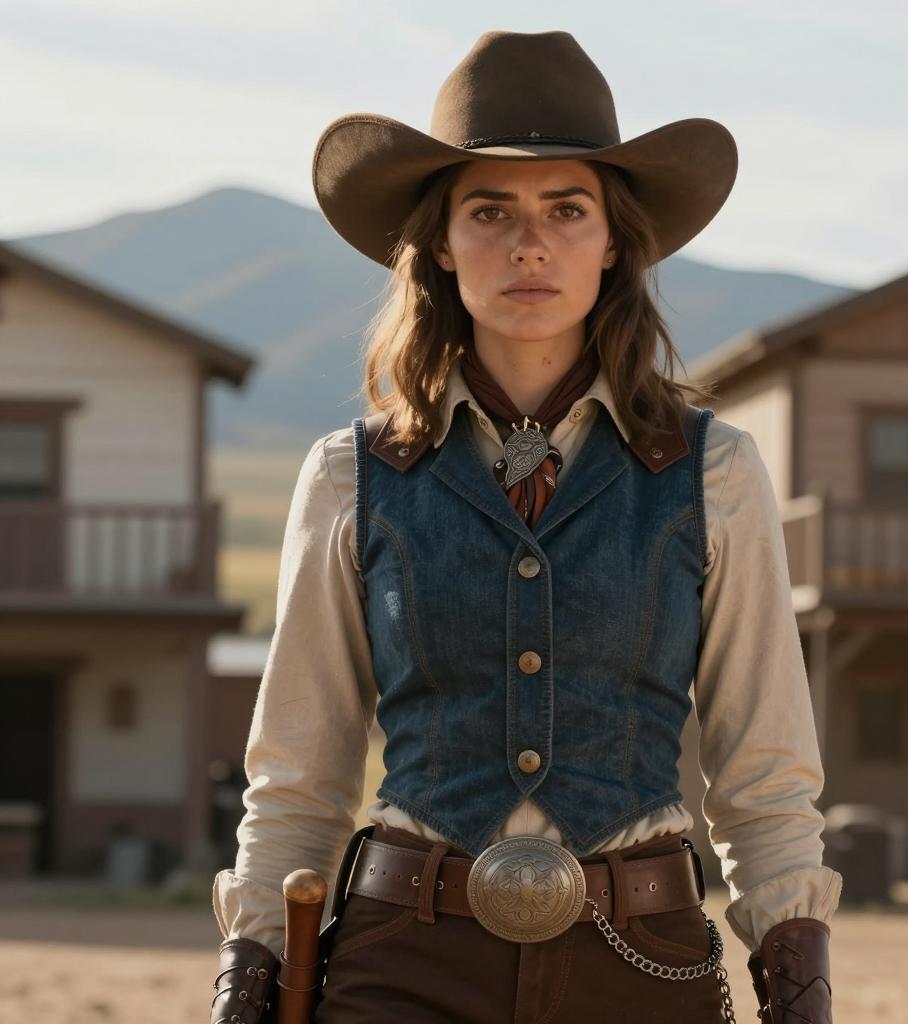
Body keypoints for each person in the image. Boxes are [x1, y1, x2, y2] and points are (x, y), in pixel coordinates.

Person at [210, 29, 843, 1024]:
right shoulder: (352, 476)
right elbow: (298, 777)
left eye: (566, 209)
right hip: (401, 964)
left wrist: (798, 986)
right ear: (441, 243)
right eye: (490, 210)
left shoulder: (711, 470)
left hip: (643, 961)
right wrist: (246, 980)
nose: (528, 243)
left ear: (613, 240)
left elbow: (763, 773)